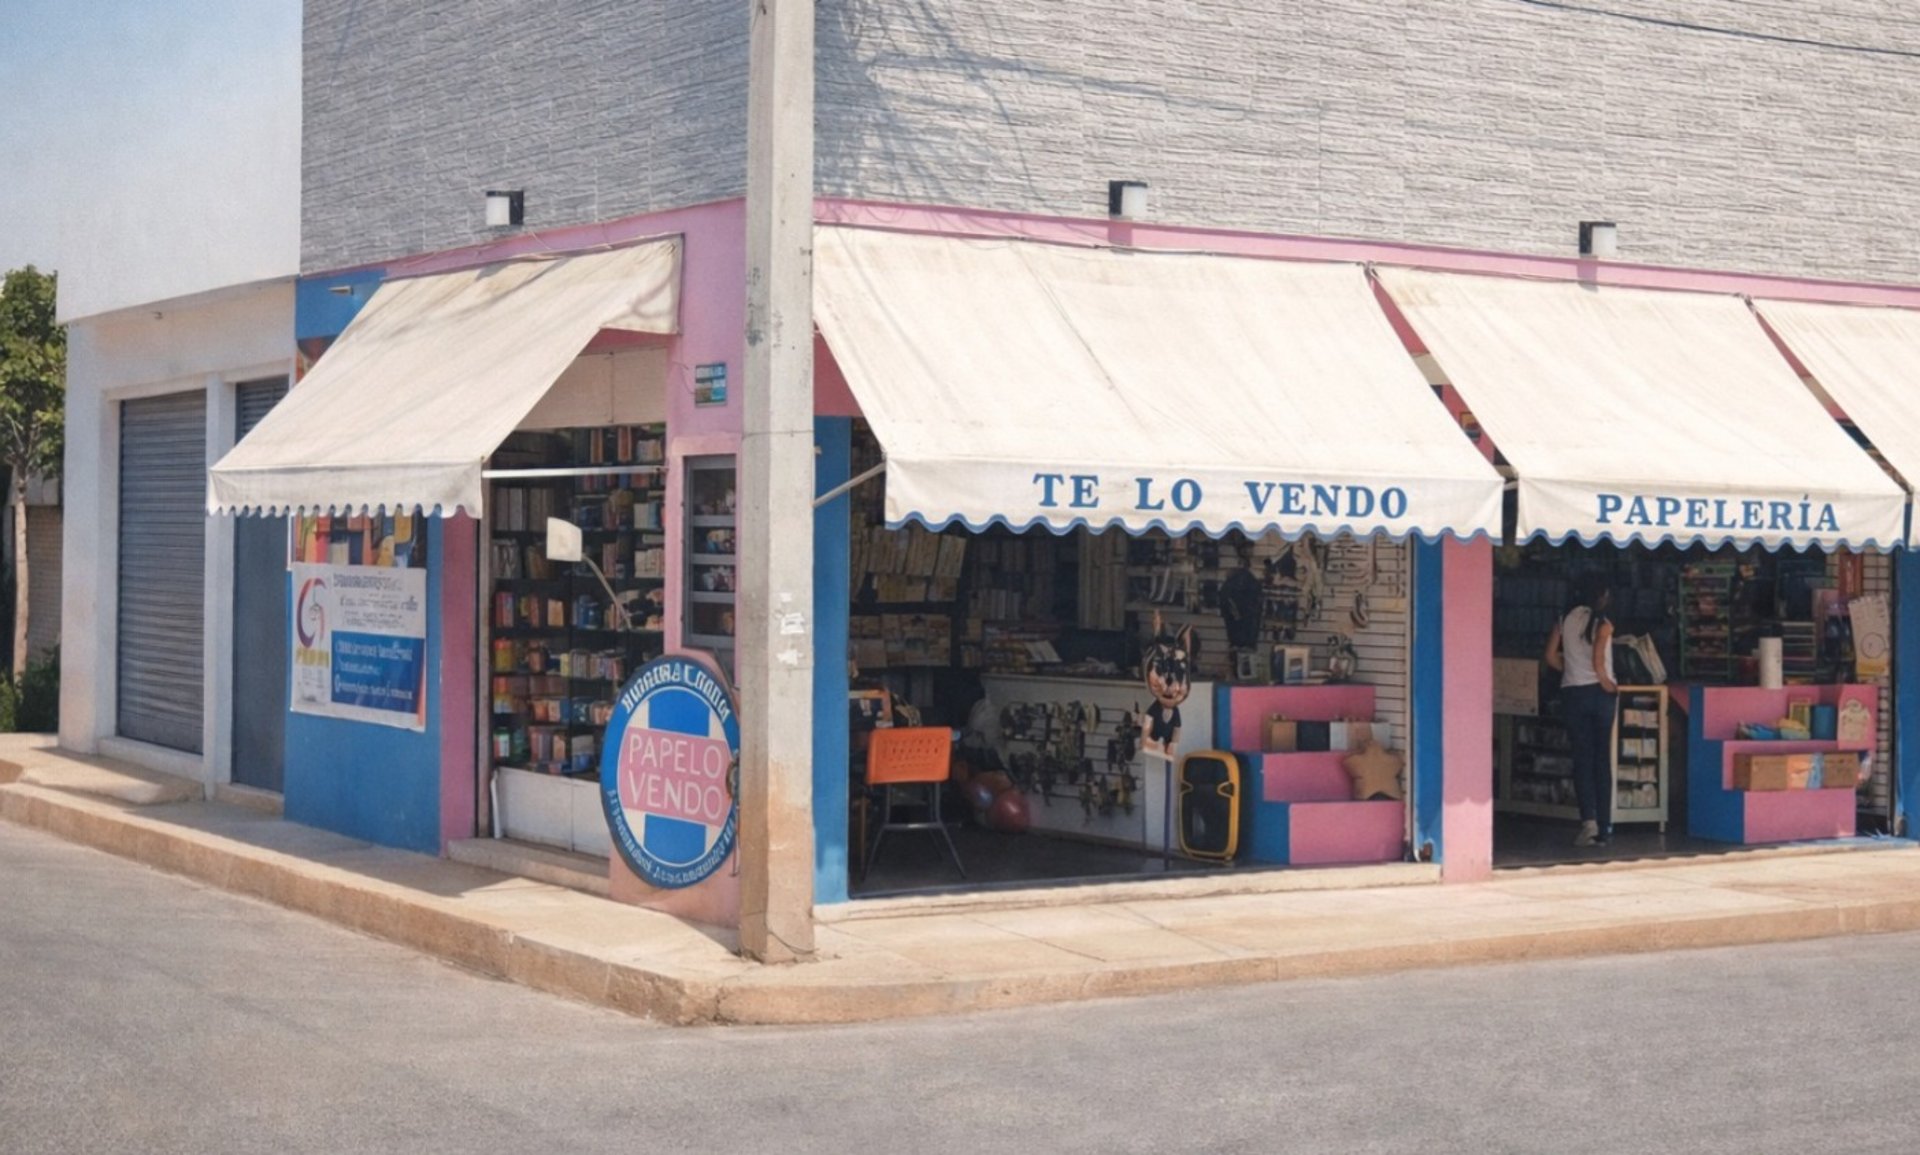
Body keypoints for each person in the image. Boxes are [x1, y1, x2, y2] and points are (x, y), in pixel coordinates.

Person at [1545, 574, 1618, 847]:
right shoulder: (1604, 623)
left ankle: (1588, 822)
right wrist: (1608, 684)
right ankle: (1606, 826)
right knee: (1602, 761)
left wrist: (1571, 670)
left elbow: (1550, 656)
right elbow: (1599, 661)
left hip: (1573, 694)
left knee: (1582, 760)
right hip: (1600, 695)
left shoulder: (1563, 619)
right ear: (1600, 597)